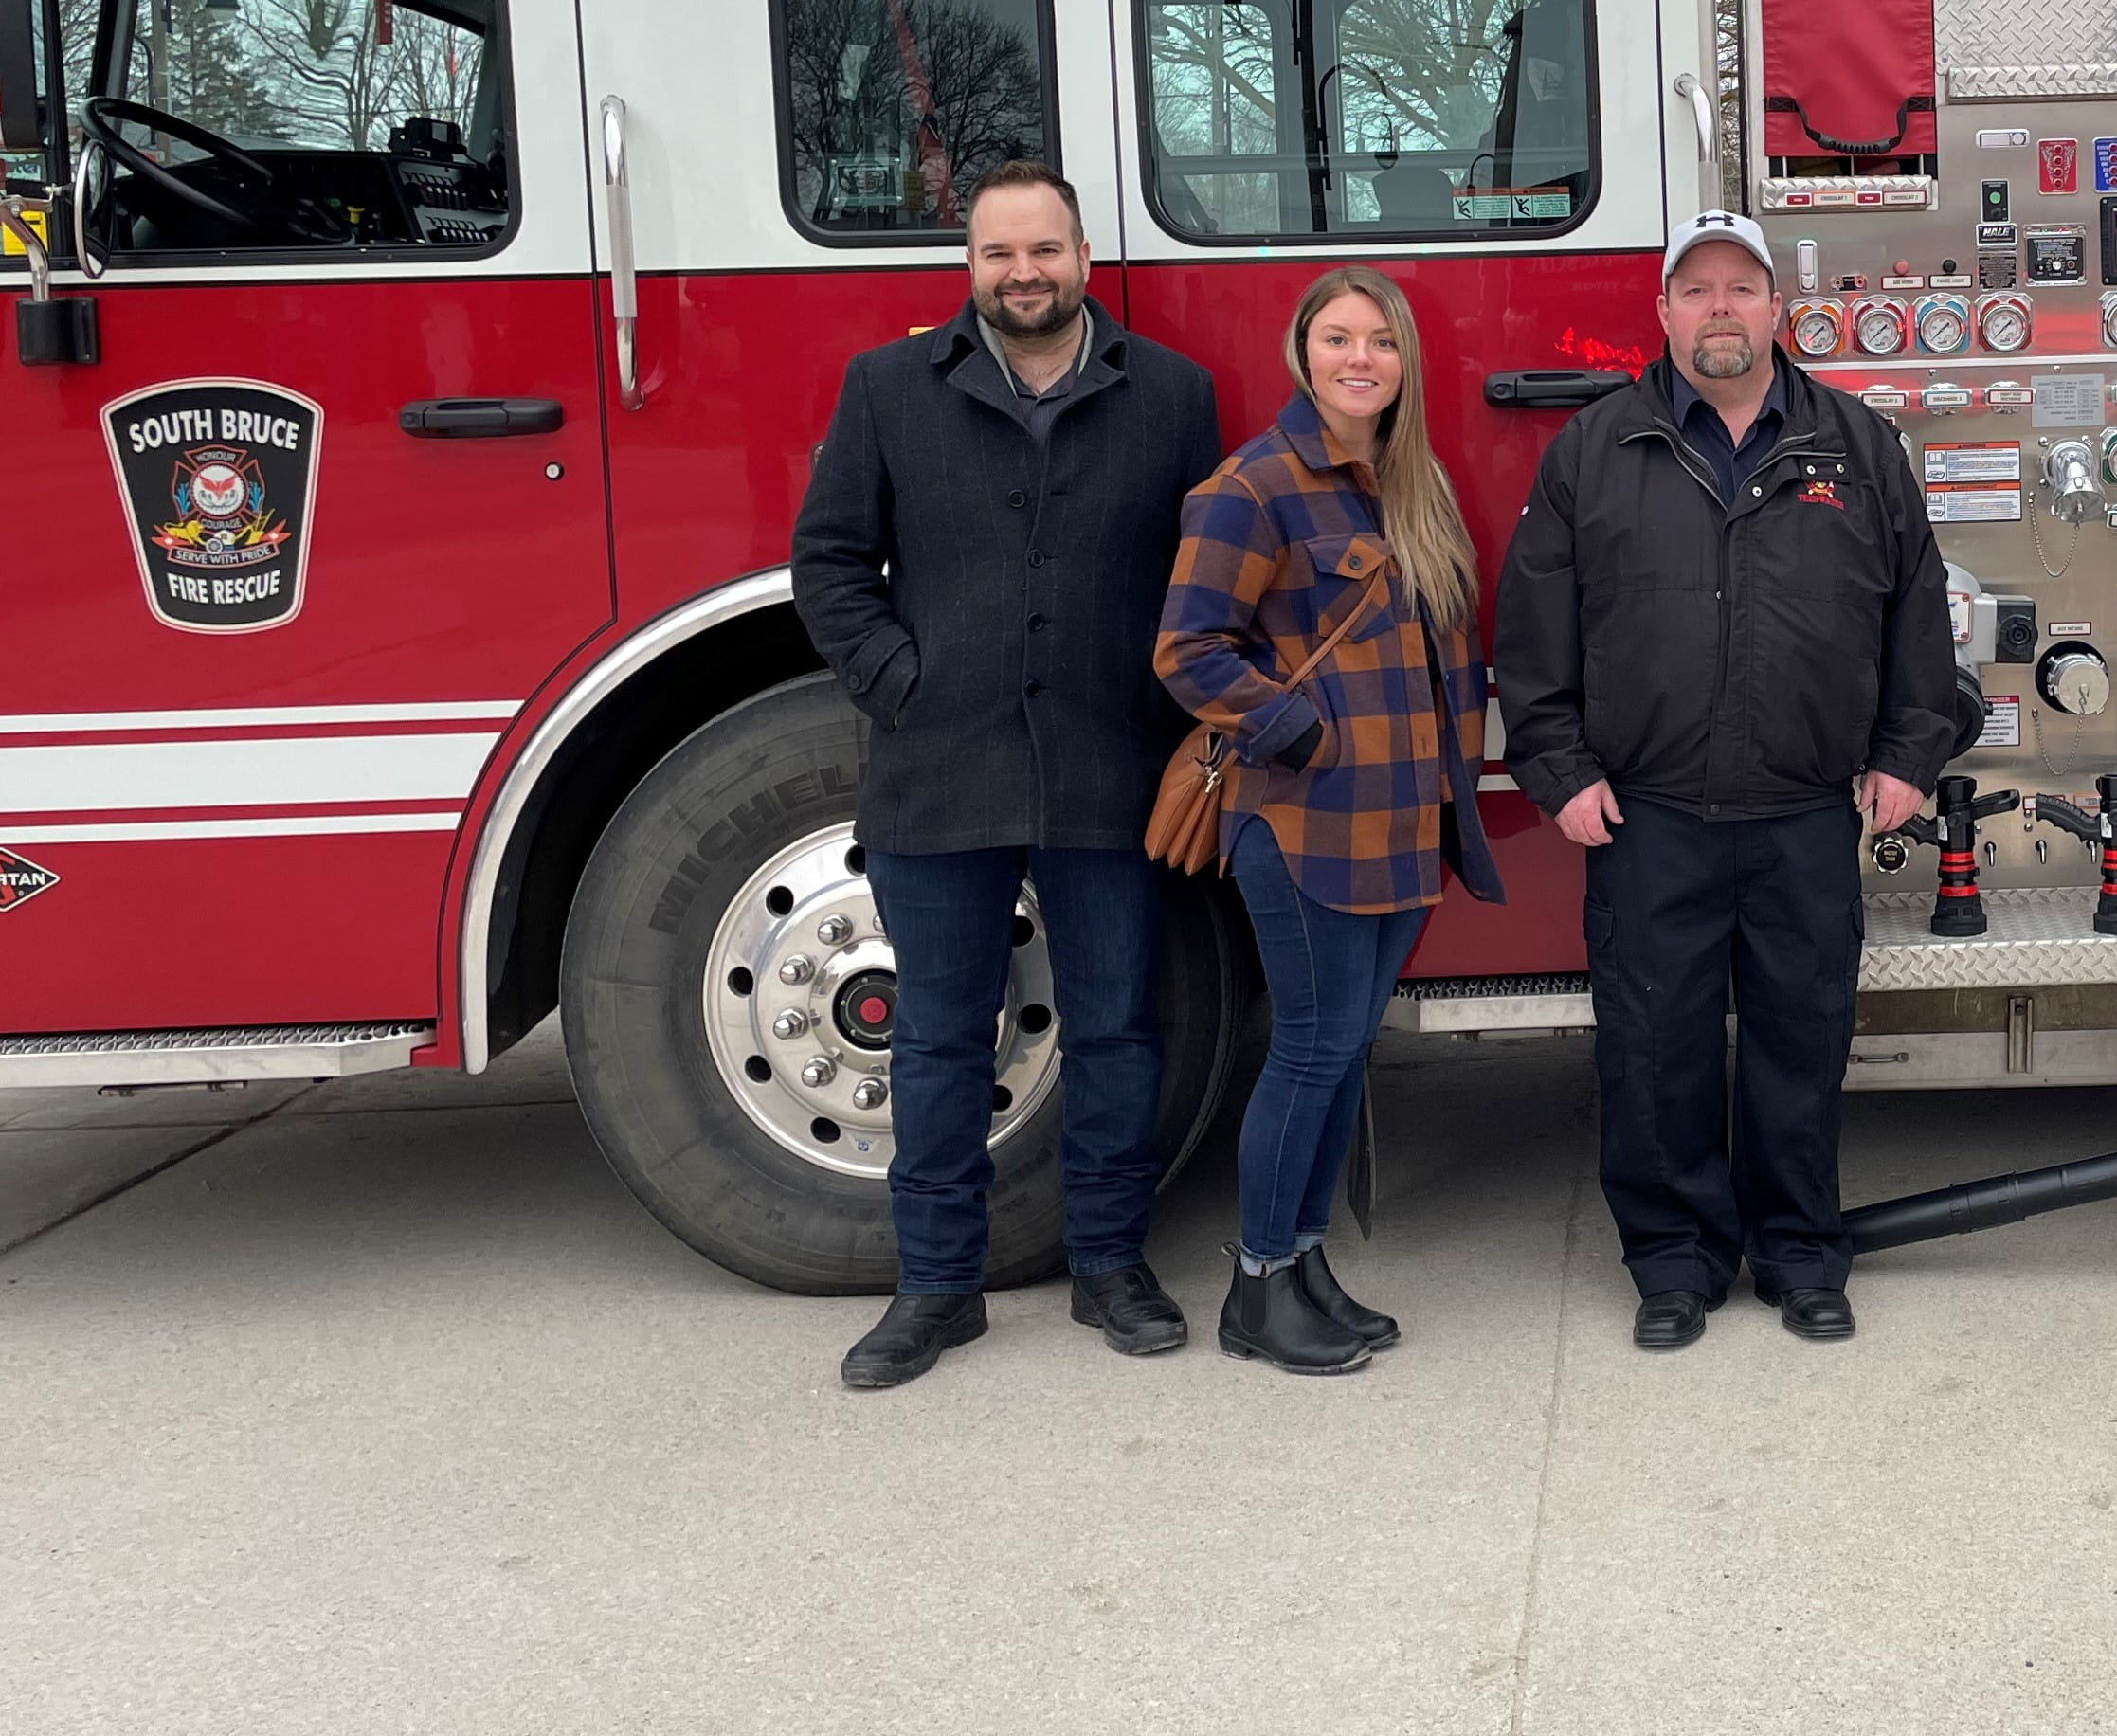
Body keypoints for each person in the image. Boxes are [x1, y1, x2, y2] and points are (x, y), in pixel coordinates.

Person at [790, 159, 1222, 1391]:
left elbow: (1207, 567)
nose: (1022, 273)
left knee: (1118, 1032)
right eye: (998, 254)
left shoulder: (1172, 396)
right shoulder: (887, 388)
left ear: (1082, 256)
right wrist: (900, 685)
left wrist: (1169, 706)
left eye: (1043, 250)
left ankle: (1112, 1267)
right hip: (942, 771)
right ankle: (934, 1289)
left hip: (1111, 769)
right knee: (935, 1040)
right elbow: (825, 558)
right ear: (969, 266)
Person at [1493, 212, 1953, 1352]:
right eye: (1694, 290)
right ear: (1662, 314)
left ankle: (1800, 1253)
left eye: (1739, 288)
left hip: (1806, 812)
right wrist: (1556, 770)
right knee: (1656, 1053)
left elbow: (1917, 613)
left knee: (1802, 1048)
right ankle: (1674, 1261)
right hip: (1650, 818)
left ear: (1774, 307)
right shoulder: (1596, 449)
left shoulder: (1857, 445)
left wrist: (1906, 754)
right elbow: (1533, 630)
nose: (1718, 310)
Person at [1159, 267, 1502, 1376]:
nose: (1362, 360)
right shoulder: (1251, 489)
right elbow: (1188, 651)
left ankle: (1303, 1264)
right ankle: (1256, 1287)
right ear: (1303, 354)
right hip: (1304, 824)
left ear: (1404, 362)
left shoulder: (1411, 487)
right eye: (1339, 339)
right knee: (1309, 1052)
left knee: (1346, 1054)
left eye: (1382, 342)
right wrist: (1302, 737)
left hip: (1402, 826)